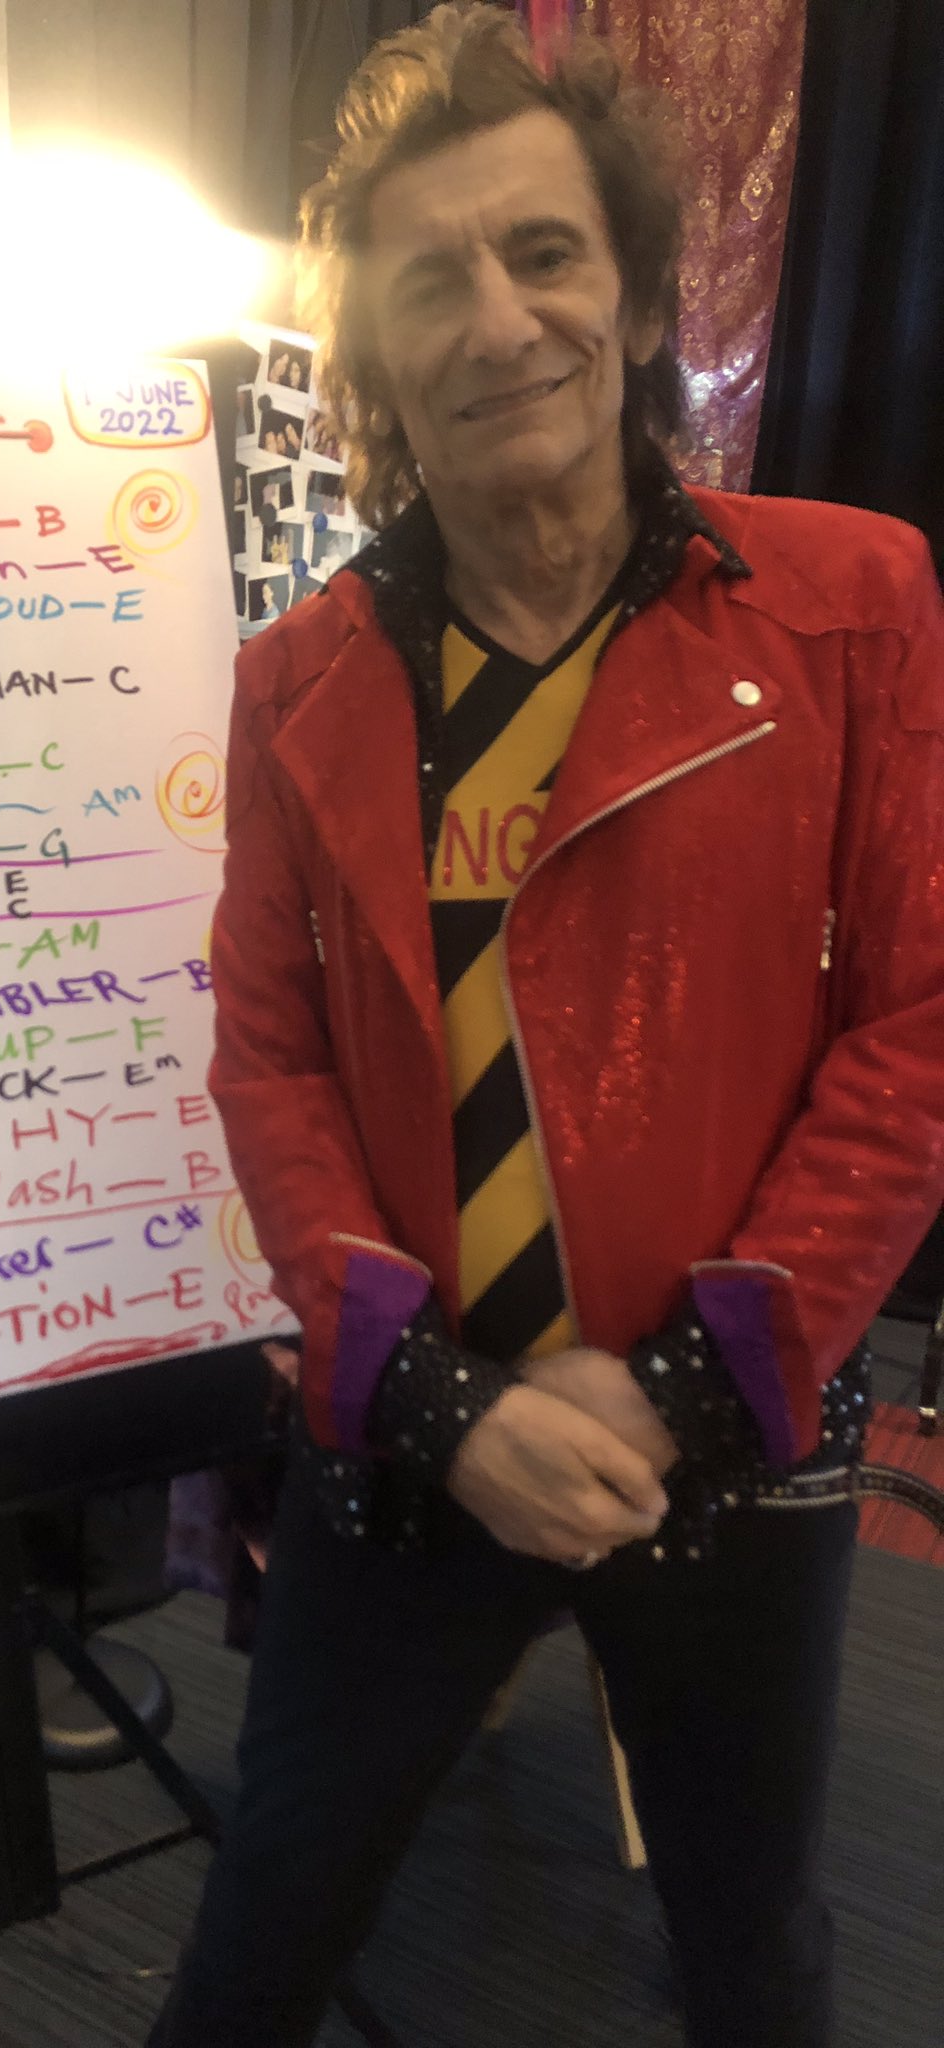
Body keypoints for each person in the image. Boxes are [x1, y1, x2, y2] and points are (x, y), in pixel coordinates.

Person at [149, 7, 944, 2046]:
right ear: (374, 357)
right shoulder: (300, 682)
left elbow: (919, 1030)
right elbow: (271, 1061)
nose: (500, 320)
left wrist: (681, 1383)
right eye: (433, 278)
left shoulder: (851, 606)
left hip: (728, 1435)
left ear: (640, 294)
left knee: (754, 1951)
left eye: (545, 253)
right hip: (423, 1426)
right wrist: (440, 1406)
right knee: (256, 1946)